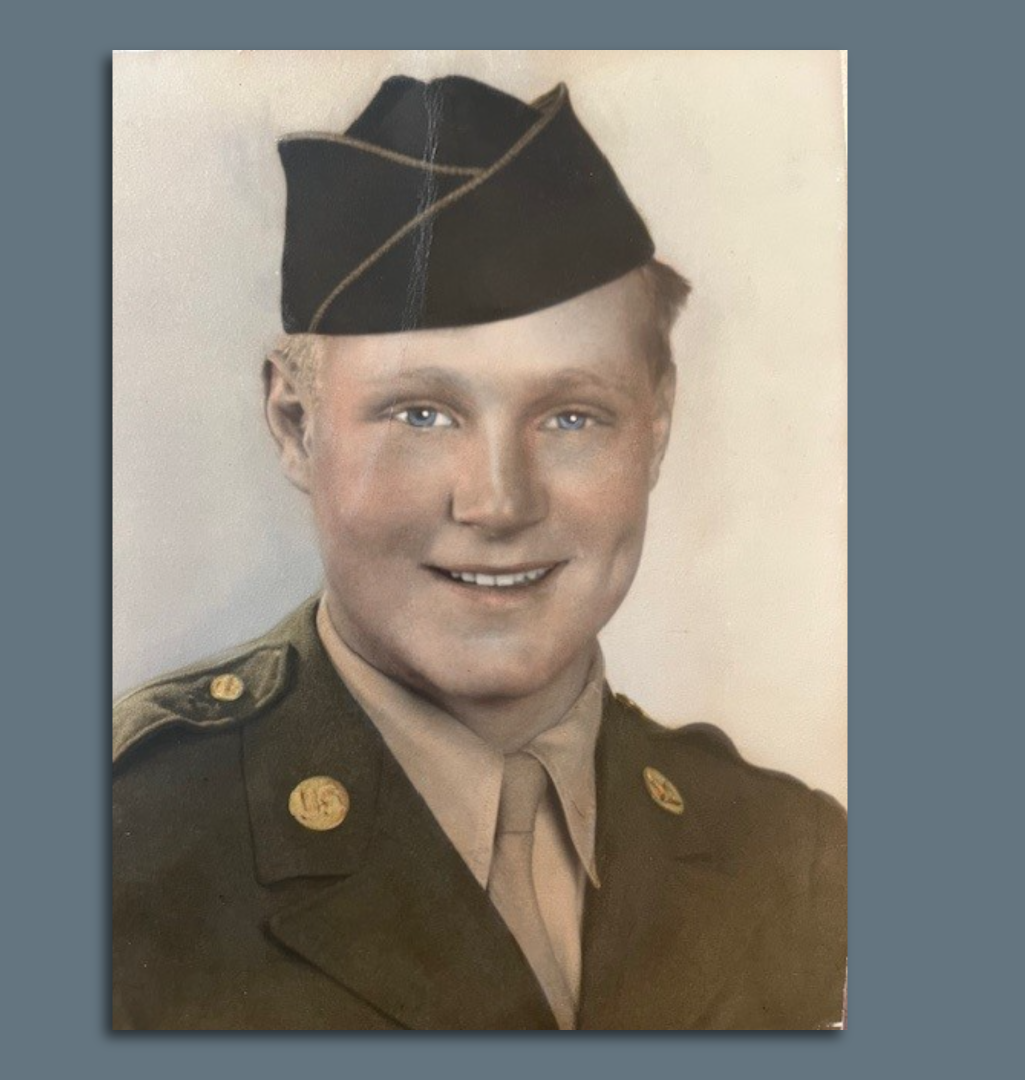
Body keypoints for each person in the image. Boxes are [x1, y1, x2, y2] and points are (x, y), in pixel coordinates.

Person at [111, 73, 847, 1030]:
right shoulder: (121, 852)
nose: (499, 502)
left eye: (572, 416)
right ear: (296, 425)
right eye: (422, 413)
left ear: (657, 428)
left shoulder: (793, 857)